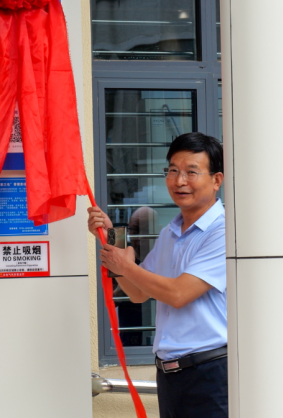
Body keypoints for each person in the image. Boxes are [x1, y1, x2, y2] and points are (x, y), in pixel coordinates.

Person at [88, 132, 227, 418]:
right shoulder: (169, 233)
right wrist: (110, 239)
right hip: (170, 377)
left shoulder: (224, 231)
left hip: (211, 374)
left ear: (216, 180)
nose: (179, 181)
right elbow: (138, 293)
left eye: (191, 172)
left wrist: (126, 266)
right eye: (173, 171)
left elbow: (178, 294)